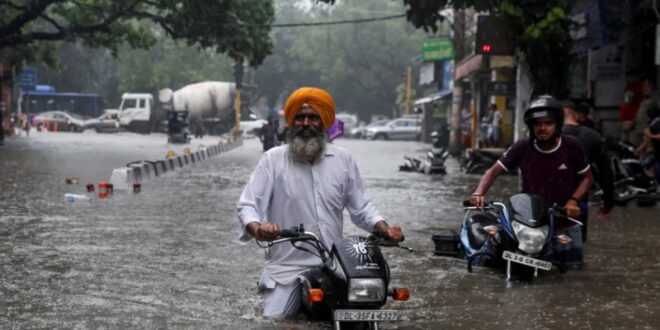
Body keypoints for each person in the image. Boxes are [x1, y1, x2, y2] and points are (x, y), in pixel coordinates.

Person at [237, 87, 403, 318]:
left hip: (336, 266)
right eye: (300, 117)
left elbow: (362, 207)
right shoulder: (273, 160)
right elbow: (248, 205)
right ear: (291, 122)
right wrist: (259, 228)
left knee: (368, 310)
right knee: (276, 319)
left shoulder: (343, 159)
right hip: (288, 268)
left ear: (324, 122)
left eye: (313, 117)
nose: (306, 123)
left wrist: (386, 228)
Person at [469, 95, 594, 263]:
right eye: (538, 124)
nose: (543, 128)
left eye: (548, 123)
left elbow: (587, 178)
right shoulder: (522, 147)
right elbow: (493, 171)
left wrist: (573, 201)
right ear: (531, 126)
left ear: (557, 124)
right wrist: (478, 193)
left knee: (571, 273)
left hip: (564, 221)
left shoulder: (572, 146)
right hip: (531, 225)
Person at [562, 101, 614, 230]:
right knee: (577, 242)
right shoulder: (592, 136)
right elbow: (606, 172)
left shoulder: (545, 136)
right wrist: (608, 203)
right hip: (580, 198)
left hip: (549, 198)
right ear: (577, 114)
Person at [637, 104, 660, 182]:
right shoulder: (652, 124)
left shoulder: (657, 123)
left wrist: (650, 135)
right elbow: (646, 140)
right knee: (646, 165)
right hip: (656, 154)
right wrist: (638, 150)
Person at [634, 77, 659, 147]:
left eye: (646, 86)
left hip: (648, 130)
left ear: (652, 86)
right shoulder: (643, 100)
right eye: (643, 86)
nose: (644, 88)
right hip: (639, 129)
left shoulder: (655, 99)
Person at [620, 70, 643, 143]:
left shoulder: (639, 89)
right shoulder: (628, 88)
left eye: (632, 77)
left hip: (632, 120)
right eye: (629, 77)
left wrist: (634, 120)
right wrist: (621, 119)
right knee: (624, 144)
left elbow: (639, 106)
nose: (630, 78)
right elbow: (626, 103)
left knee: (632, 144)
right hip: (624, 120)